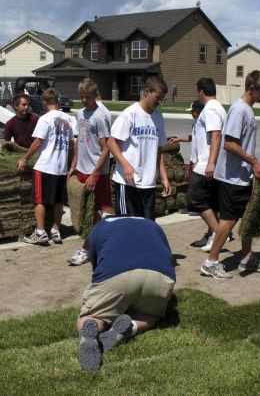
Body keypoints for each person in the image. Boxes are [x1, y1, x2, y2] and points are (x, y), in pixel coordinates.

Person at [76, 216, 176, 371]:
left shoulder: (99, 227)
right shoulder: (152, 224)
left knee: (92, 315)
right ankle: (131, 327)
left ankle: (91, 326)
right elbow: (168, 256)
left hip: (117, 276)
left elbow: (97, 268)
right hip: (160, 277)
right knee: (150, 316)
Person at [200, 70, 260, 279]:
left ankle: (247, 256)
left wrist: (252, 167)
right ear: (251, 88)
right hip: (232, 177)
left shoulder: (247, 110)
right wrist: (254, 162)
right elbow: (229, 144)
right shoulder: (239, 110)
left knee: (248, 217)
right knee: (229, 220)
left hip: (243, 176)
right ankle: (211, 262)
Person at [108, 75, 171, 220]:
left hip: (148, 182)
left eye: (162, 99)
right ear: (146, 92)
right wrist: (126, 165)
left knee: (147, 226)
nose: (160, 102)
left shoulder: (158, 117)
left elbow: (159, 150)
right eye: (157, 97)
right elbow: (112, 142)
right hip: (128, 182)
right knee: (126, 225)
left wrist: (164, 177)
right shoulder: (130, 114)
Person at [17, 87, 74, 245]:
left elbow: (38, 141)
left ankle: (41, 232)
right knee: (58, 200)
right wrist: (70, 164)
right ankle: (55, 230)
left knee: (39, 199)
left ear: (44, 102)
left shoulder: (45, 119)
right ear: (58, 101)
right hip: (61, 167)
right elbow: (71, 144)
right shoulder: (67, 119)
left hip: (45, 166)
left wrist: (25, 158)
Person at [67, 78, 112, 266]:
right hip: (82, 169)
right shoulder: (80, 114)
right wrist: (73, 165)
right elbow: (79, 142)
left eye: (88, 97)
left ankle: (86, 249)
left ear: (95, 95)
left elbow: (107, 148)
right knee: (91, 212)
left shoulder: (101, 116)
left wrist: (95, 173)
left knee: (100, 211)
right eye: (82, 97)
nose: (85, 100)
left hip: (97, 172)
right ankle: (97, 245)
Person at [187, 78, 227, 251]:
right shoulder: (219, 108)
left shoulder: (210, 109)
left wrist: (210, 162)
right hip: (211, 162)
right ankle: (212, 235)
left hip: (207, 164)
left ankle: (219, 235)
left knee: (195, 198)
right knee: (212, 202)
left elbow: (215, 135)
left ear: (201, 92)